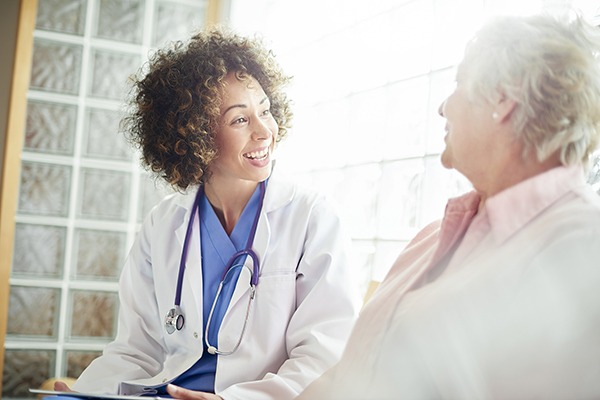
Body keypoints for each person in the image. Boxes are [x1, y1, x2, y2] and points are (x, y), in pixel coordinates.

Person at [296, 13, 600, 399]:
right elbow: (349, 375)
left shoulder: (583, 246)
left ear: (504, 97)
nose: (443, 107)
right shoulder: (432, 237)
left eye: (458, 84)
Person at [52, 27, 360, 400]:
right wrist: (86, 393)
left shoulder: (311, 217)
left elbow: (324, 355)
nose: (265, 131)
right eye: (240, 120)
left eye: (265, 110)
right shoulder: (163, 224)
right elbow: (138, 348)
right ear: (195, 135)